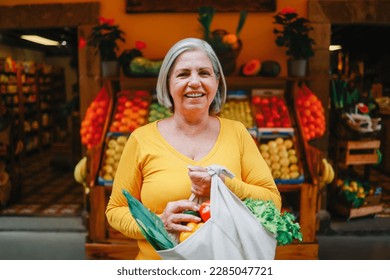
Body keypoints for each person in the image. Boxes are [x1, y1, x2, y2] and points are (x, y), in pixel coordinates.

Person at [105, 37, 281, 260]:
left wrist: (223, 186)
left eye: (204, 73)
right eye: (183, 74)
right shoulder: (142, 139)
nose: (195, 82)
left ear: (217, 82)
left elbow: (272, 201)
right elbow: (115, 210)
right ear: (168, 83)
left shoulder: (237, 133)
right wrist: (158, 223)